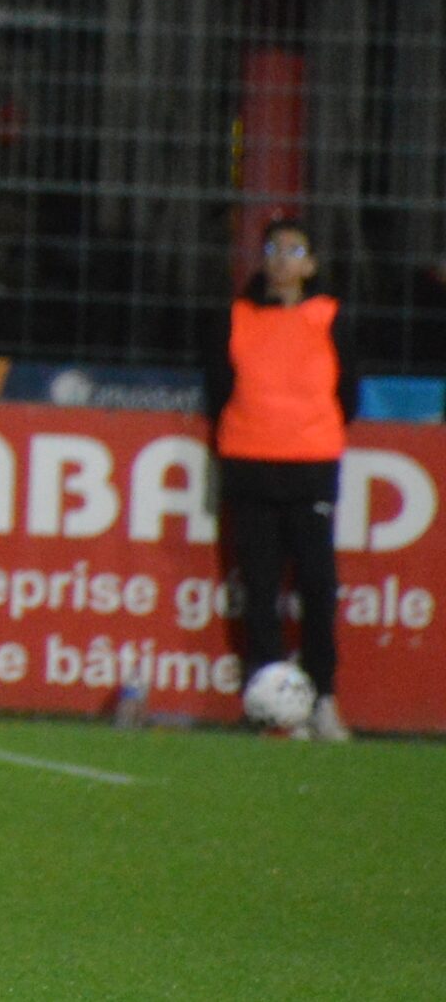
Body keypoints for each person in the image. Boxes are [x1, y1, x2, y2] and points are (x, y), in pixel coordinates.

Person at [207, 217, 356, 741]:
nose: (281, 260)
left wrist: (308, 430)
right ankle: (271, 705)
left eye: (293, 251)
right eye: (273, 249)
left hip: (311, 466)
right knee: (260, 586)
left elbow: (348, 394)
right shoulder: (237, 317)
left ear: (310, 265)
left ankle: (323, 696)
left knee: (317, 584)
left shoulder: (329, 317)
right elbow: (218, 390)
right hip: (250, 464)